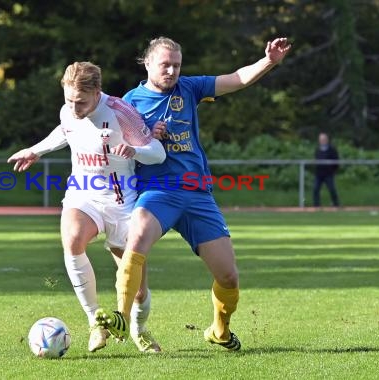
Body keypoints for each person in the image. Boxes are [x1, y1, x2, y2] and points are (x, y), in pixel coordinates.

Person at [95, 36, 291, 351]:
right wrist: (146, 136)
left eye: (176, 65)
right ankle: (121, 315)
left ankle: (220, 330)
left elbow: (237, 79)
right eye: (165, 65)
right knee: (137, 239)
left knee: (228, 277)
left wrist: (268, 61)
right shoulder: (128, 103)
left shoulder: (189, 88)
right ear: (148, 64)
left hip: (197, 194)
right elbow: (118, 152)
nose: (172, 71)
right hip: (158, 190)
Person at [7, 62, 166, 353]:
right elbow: (65, 130)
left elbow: (157, 152)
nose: (74, 107)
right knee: (72, 239)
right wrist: (35, 150)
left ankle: (139, 330)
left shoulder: (121, 113)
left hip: (122, 201)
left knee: (138, 290)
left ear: (97, 92)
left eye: (80, 101)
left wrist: (135, 150)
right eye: (68, 100)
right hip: (83, 193)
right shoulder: (68, 110)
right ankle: (95, 320)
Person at [313, 132, 340, 207]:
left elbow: (336, 161)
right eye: (321, 139)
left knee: (332, 189)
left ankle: (336, 204)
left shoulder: (332, 149)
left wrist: (333, 170)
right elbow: (316, 159)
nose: (322, 141)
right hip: (319, 174)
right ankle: (316, 205)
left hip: (328, 173)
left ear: (327, 140)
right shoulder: (317, 149)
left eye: (324, 139)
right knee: (315, 189)